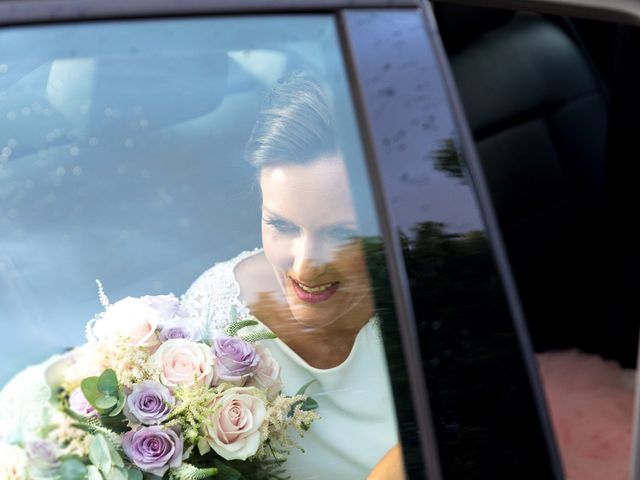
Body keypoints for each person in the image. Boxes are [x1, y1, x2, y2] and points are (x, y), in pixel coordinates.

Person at [181, 72, 402, 479]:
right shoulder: (215, 313)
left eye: (342, 234)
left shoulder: (437, 305)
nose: (305, 267)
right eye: (281, 225)